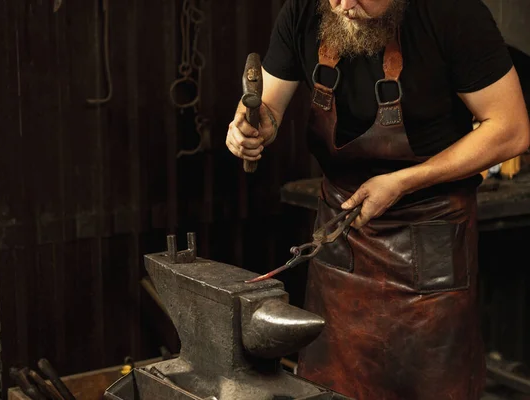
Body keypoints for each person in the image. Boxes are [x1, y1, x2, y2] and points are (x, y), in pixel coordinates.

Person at [226, 0, 530, 399]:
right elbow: (267, 104)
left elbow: (511, 129)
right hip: (341, 237)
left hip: (430, 240)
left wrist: (403, 182)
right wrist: (250, 129)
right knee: (329, 387)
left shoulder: (452, 12)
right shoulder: (306, 9)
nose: (343, 5)